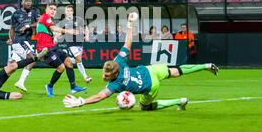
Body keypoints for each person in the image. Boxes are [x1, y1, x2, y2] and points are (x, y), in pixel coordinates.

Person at [63, 13, 219, 110]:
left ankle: (179, 101)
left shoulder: (115, 85)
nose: (104, 76)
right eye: (104, 72)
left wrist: (81, 102)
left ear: (115, 73)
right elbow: (128, 43)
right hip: (150, 70)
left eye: (107, 75)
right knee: (176, 71)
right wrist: (130, 26)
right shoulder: (119, 60)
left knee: (144, 107)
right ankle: (206, 66)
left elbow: (99, 96)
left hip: (150, 85)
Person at [37, 3, 87, 97]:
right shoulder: (45, 17)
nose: (53, 11)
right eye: (51, 8)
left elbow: (52, 30)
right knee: (61, 67)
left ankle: (73, 87)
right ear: (46, 10)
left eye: (54, 9)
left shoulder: (49, 20)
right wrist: (68, 31)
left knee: (68, 62)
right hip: (45, 49)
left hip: (52, 46)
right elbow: (53, 28)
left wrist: (55, 38)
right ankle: (49, 86)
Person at [6, 0, 41, 92]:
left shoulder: (35, 11)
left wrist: (27, 26)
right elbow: (12, 28)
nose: (28, 2)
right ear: (22, 3)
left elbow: (39, 22)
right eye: (26, 1)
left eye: (30, 1)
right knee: (32, 58)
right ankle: (21, 82)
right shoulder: (16, 14)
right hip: (19, 40)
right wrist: (10, 39)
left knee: (12, 66)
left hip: (25, 40)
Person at [54, 5, 92, 84]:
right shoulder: (63, 22)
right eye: (67, 11)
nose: (69, 12)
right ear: (65, 12)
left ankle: (65, 61)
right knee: (78, 58)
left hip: (80, 43)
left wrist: (87, 36)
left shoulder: (79, 20)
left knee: (77, 61)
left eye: (70, 10)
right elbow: (61, 32)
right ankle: (86, 77)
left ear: (72, 12)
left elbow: (86, 28)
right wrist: (56, 37)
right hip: (71, 44)